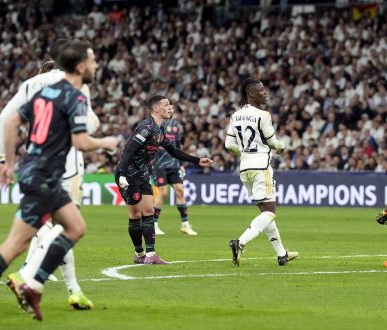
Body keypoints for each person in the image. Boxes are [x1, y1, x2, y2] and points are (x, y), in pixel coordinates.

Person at [0, 40, 119, 330]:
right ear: (79, 66)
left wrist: (8, 161)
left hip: (36, 171)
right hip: (45, 175)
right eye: (92, 60)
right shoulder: (76, 96)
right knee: (19, 243)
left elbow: (9, 120)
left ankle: (30, 283)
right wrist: (106, 143)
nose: (95, 65)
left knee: (72, 228)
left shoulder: (43, 91)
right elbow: (81, 141)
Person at [0, 39, 97, 310]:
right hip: (67, 161)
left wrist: (3, 159)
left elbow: (7, 119)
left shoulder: (32, 85)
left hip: (35, 160)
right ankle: (26, 276)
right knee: (66, 227)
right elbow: (89, 124)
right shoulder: (74, 86)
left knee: (48, 227)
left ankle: (73, 290)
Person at [114, 95, 213, 265]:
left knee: (148, 211)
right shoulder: (146, 128)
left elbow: (174, 151)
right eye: (166, 104)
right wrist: (122, 174)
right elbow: (129, 150)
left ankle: (151, 255)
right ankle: (139, 253)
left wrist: (197, 160)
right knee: (135, 214)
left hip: (143, 174)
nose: (170, 107)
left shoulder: (160, 131)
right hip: (128, 174)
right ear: (156, 108)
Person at [225, 77, 298, 267]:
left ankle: (282, 254)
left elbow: (228, 145)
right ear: (251, 94)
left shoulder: (235, 116)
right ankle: (239, 243)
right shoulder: (263, 115)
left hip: (245, 168)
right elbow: (274, 143)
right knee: (270, 213)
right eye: (261, 90)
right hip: (261, 167)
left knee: (265, 213)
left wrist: (243, 152)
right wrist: (283, 146)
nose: (265, 92)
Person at [151, 105, 197, 236]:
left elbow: (178, 145)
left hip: (174, 164)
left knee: (180, 190)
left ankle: (185, 225)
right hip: (158, 164)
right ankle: (153, 224)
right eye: (167, 108)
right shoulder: (156, 123)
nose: (170, 110)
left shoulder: (176, 125)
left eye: (171, 109)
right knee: (163, 192)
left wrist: (181, 163)